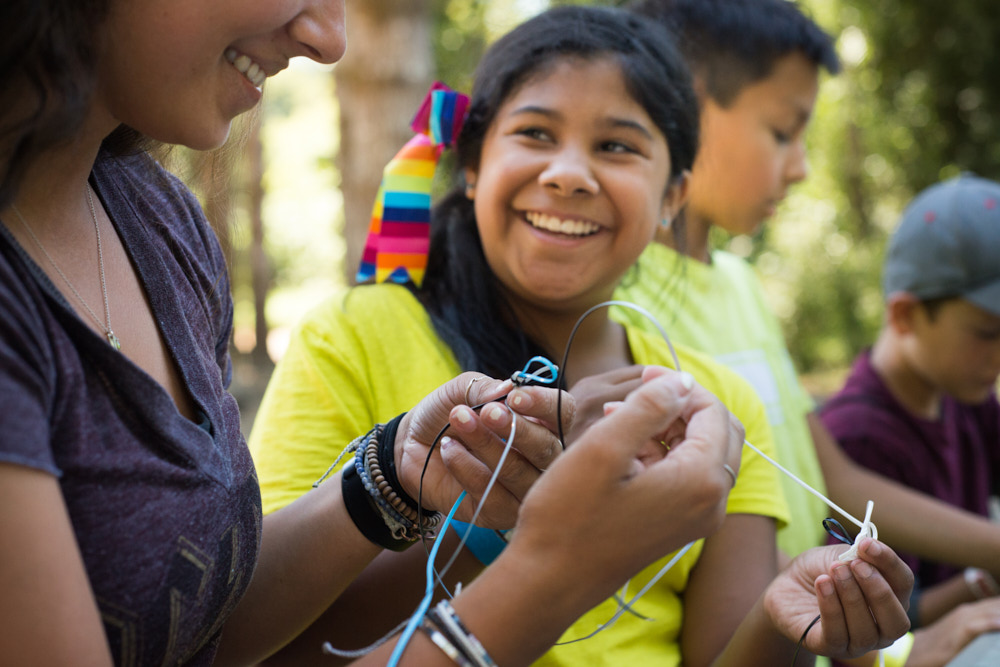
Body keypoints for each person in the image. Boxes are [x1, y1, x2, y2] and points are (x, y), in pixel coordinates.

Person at [0, 1, 910, 666]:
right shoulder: (357, 334)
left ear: (676, 196)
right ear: (470, 169)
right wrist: (549, 561)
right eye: (536, 133)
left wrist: (397, 476)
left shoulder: (157, 223)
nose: (330, 36)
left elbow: (207, 627)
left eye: (620, 146)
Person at [612, 1, 1000, 664]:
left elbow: (833, 478)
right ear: (693, 106)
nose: (800, 168)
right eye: (783, 132)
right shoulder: (622, 302)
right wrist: (906, 642)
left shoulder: (739, 284)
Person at [819, 174, 1000, 659]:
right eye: (987, 332)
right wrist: (979, 583)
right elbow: (866, 616)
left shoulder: (969, 397)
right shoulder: (855, 438)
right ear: (904, 316)